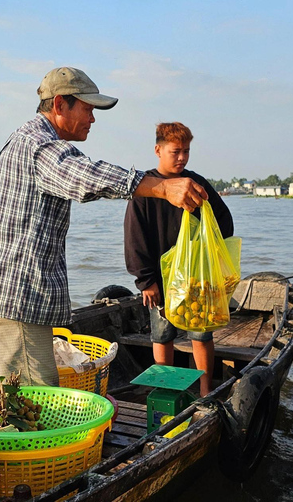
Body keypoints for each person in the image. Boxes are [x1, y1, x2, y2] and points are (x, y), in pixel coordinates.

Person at [0, 67, 208, 386]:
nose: (93, 119)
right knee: (31, 398)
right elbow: (84, 175)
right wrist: (162, 187)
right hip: (16, 302)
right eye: (88, 109)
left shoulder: (23, 138)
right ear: (60, 104)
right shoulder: (42, 147)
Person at [124, 122, 234, 397]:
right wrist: (146, 280)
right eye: (175, 152)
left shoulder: (195, 184)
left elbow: (223, 220)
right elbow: (134, 237)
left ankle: (206, 390)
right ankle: (166, 392)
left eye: (186, 151)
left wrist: (211, 255)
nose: (182, 157)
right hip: (160, 280)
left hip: (195, 278)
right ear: (158, 150)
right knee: (162, 335)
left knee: (201, 334)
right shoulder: (145, 189)